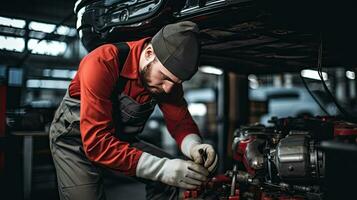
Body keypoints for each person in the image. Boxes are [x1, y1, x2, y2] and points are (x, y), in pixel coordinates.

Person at [49, 21, 218, 200]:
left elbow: (180, 122)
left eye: (176, 83)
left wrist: (194, 146)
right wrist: (162, 169)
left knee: (171, 179)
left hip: (118, 138)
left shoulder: (168, 82)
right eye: (164, 77)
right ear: (149, 52)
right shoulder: (102, 61)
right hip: (75, 140)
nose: (168, 88)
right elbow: (96, 144)